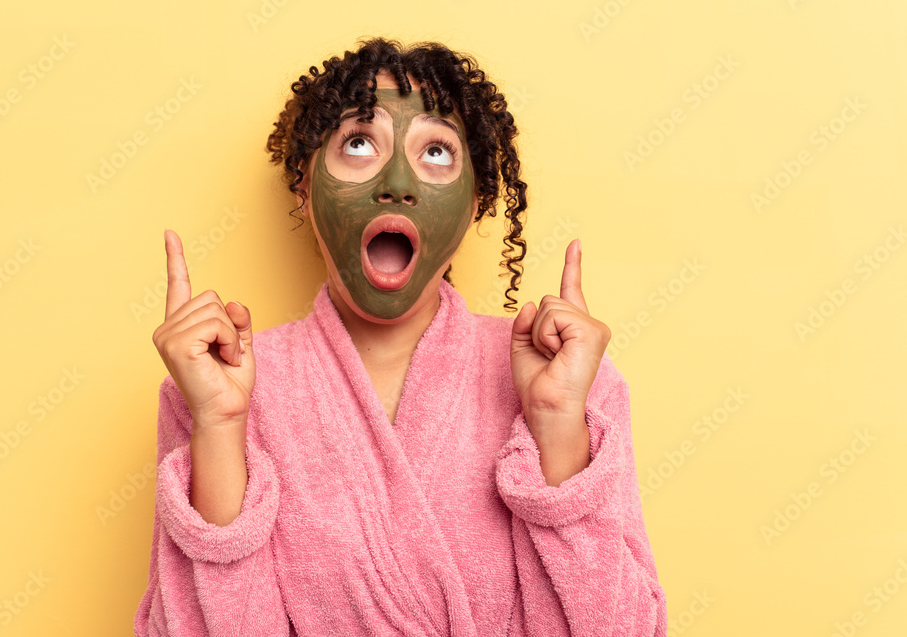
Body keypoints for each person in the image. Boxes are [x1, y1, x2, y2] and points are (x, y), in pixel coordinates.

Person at [134, 37, 667, 636]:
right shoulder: (213, 383)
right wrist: (218, 424)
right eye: (359, 143)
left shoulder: (566, 374)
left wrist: (558, 421)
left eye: (436, 151)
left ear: (475, 203)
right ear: (305, 187)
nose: (396, 182)